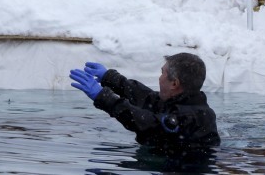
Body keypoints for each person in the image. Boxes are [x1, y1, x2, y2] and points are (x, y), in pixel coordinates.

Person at [69, 54, 220, 159]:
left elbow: (147, 124)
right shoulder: (179, 102)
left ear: (174, 83)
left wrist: (104, 97)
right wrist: (110, 78)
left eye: (163, 73)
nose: (159, 77)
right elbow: (146, 97)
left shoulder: (192, 116)